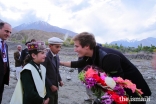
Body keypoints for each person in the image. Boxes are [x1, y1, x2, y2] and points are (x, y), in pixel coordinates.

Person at [60, 32, 151, 104]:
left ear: (87, 46)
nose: (74, 49)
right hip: (120, 91)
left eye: (76, 46)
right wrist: (59, 63)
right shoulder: (90, 55)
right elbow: (78, 64)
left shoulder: (107, 57)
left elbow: (118, 84)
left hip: (135, 94)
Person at [42, 37, 64, 104]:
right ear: (50, 46)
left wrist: (60, 80)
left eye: (60, 47)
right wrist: (51, 85)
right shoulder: (45, 57)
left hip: (55, 86)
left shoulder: (56, 56)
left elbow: (56, 70)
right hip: (48, 87)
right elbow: (43, 73)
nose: (59, 49)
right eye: (57, 47)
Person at [0, 22, 12, 104]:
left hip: (2, 79)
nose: (8, 34)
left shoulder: (5, 45)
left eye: (10, 32)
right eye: (6, 31)